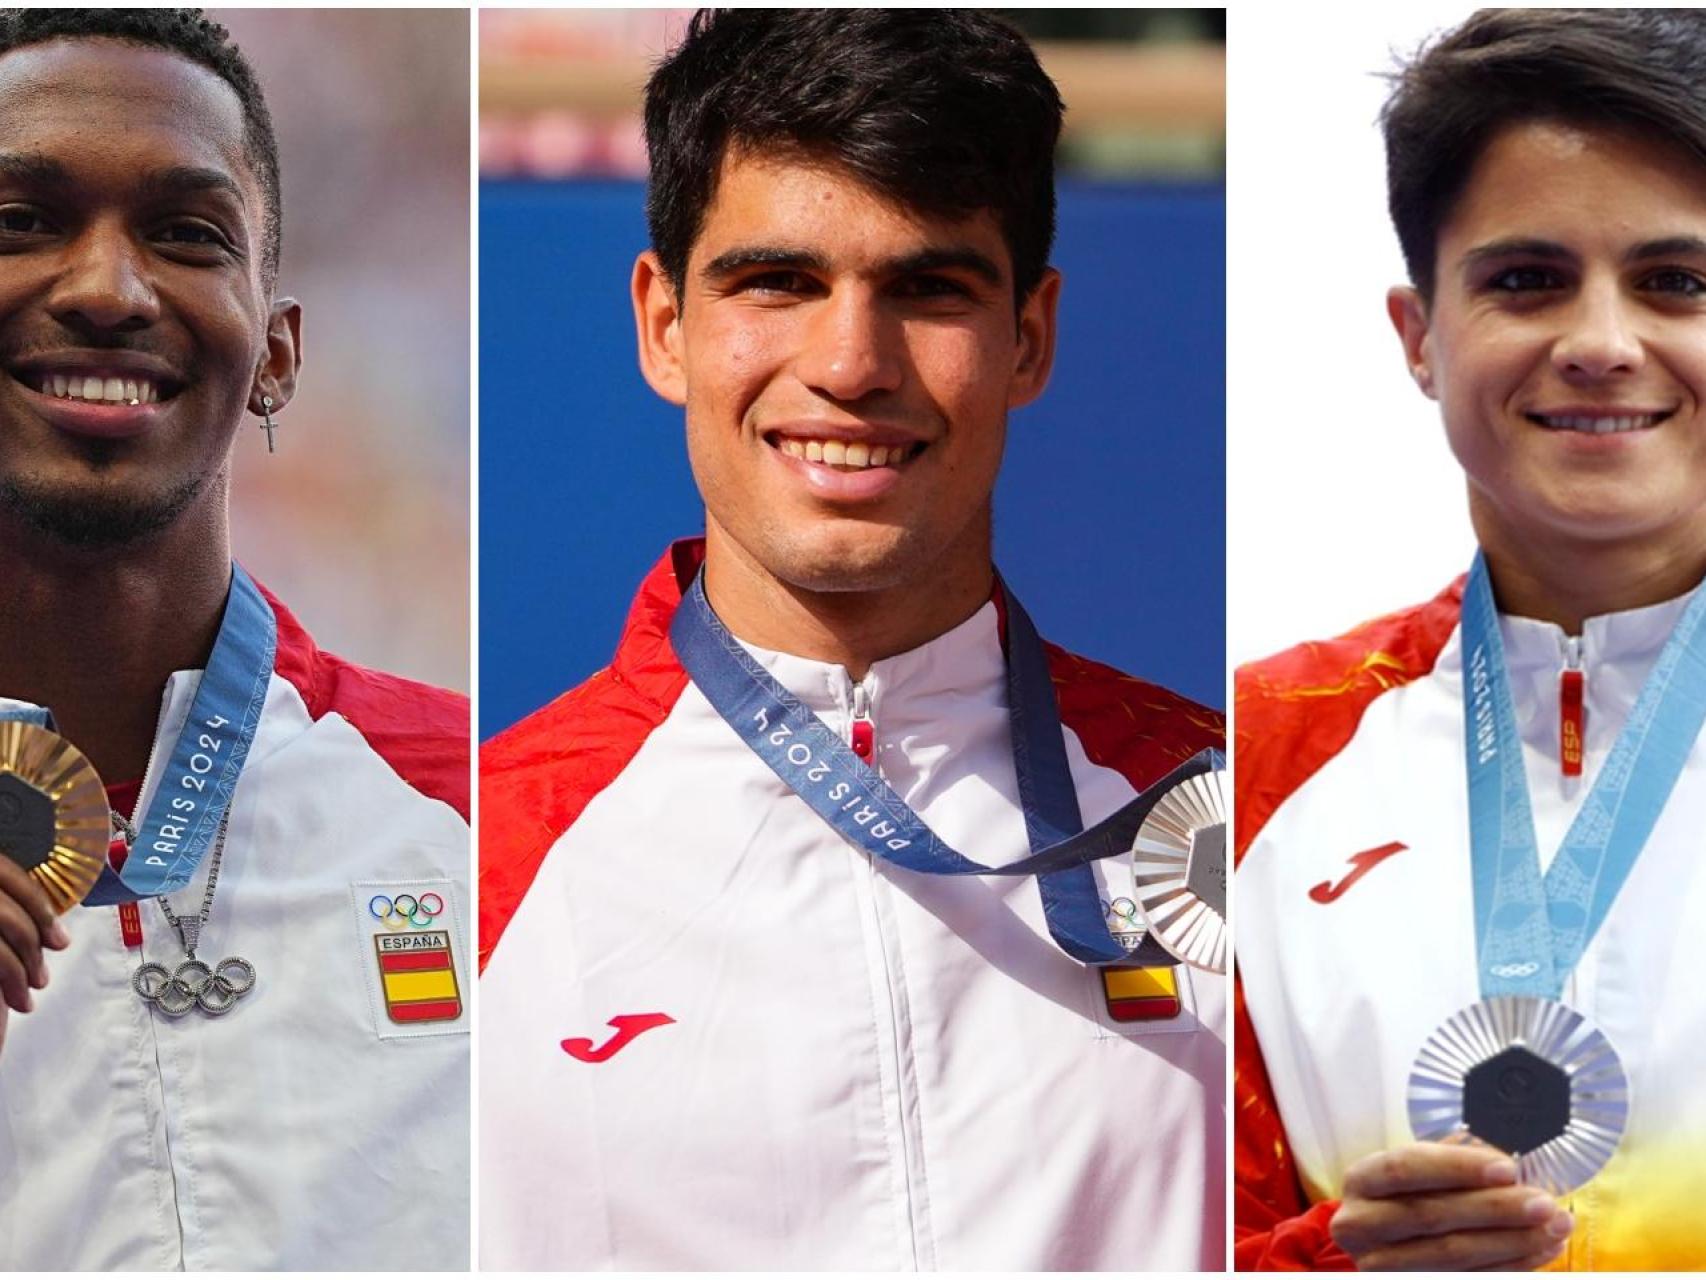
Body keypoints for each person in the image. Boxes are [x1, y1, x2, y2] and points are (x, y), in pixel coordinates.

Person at [480, 9, 1225, 1271]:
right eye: (776, 281)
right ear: (664, 322)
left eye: (927, 289)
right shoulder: (474, 857)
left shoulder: (1232, 812)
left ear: (1027, 337)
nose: (850, 362)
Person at [1235, 9, 1706, 1272]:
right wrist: (1329, 1261)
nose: (1601, 343)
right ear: (1417, 337)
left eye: (1678, 281)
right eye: (1524, 279)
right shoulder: (1252, 760)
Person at [0, 10, 469, 1270]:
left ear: (277, 352)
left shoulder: (481, 806)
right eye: (19, 222)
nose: (105, 286)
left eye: (186, 233)